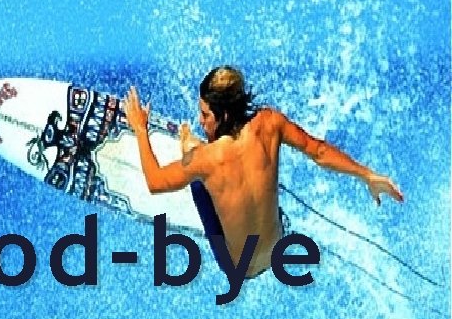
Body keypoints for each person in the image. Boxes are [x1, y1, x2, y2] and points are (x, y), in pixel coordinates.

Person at [123, 66, 404, 279]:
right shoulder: (270, 122)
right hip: (277, 249)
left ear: (225, 116)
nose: (200, 120)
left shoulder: (205, 160)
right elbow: (318, 151)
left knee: (198, 181)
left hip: (238, 267)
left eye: (206, 115)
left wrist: (140, 129)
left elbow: (154, 182)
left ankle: (192, 152)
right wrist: (367, 175)